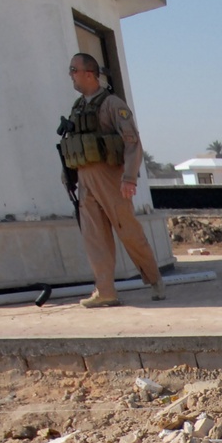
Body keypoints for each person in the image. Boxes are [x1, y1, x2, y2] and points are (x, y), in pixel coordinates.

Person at [59, 53, 164, 308]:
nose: (71, 74)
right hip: (85, 179)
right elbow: (73, 143)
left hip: (110, 177)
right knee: (94, 238)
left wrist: (129, 178)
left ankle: (154, 280)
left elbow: (132, 142)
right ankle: (105, 291)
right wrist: (68, 174)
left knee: (128, 231)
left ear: (90, 74)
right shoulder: (77, 107)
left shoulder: (112, 104)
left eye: (74, 69)